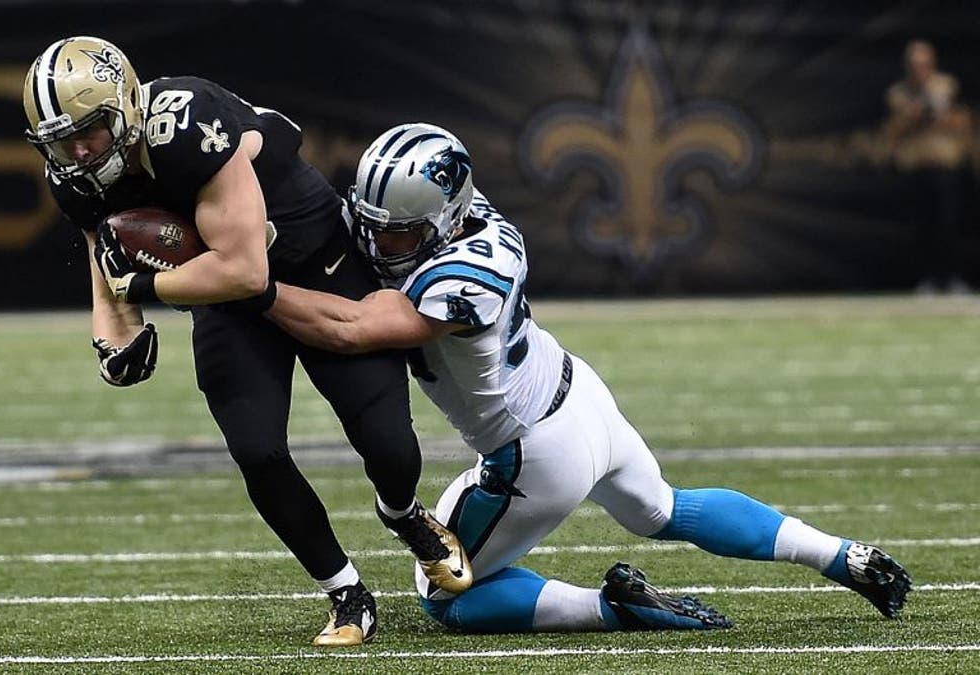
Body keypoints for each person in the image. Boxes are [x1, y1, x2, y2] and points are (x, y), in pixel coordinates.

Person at [265, 123, 913, 633]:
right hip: (583, 397)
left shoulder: (460, 275)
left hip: (536, 452)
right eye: (374, 225)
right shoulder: (473, 217)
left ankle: (608, 608)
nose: (380, 245)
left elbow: (348, 327)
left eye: (399, 234)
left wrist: (253, 288)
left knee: (441, 592)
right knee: (665, 507)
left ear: (440, 221)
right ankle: (841, 554)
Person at [22, 37, 471, 646]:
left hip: (312, 262)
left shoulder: (186, 125)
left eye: (91, 130)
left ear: (125, 107)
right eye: (60, 140)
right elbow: (107, 257)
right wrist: (113, 333)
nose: (77, 151)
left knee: (389, 444)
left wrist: (145, 286)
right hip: (226, 299)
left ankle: (402, 512)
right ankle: (345, 591)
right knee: (256, 448)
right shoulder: (71, 176)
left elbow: (245, 270)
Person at [883, 39, 973, 294]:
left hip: (945, 168)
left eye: (923, 64)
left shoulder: (947, 85)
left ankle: (953, 277)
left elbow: (962, 121)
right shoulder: (899, 93)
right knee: (922, 228)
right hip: (916, 169)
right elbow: (896, 129)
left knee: (949, 227)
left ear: (932, 64)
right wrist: (916, 113)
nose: (919, 69)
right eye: (914, 65)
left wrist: (940, 113)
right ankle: (927, 279)